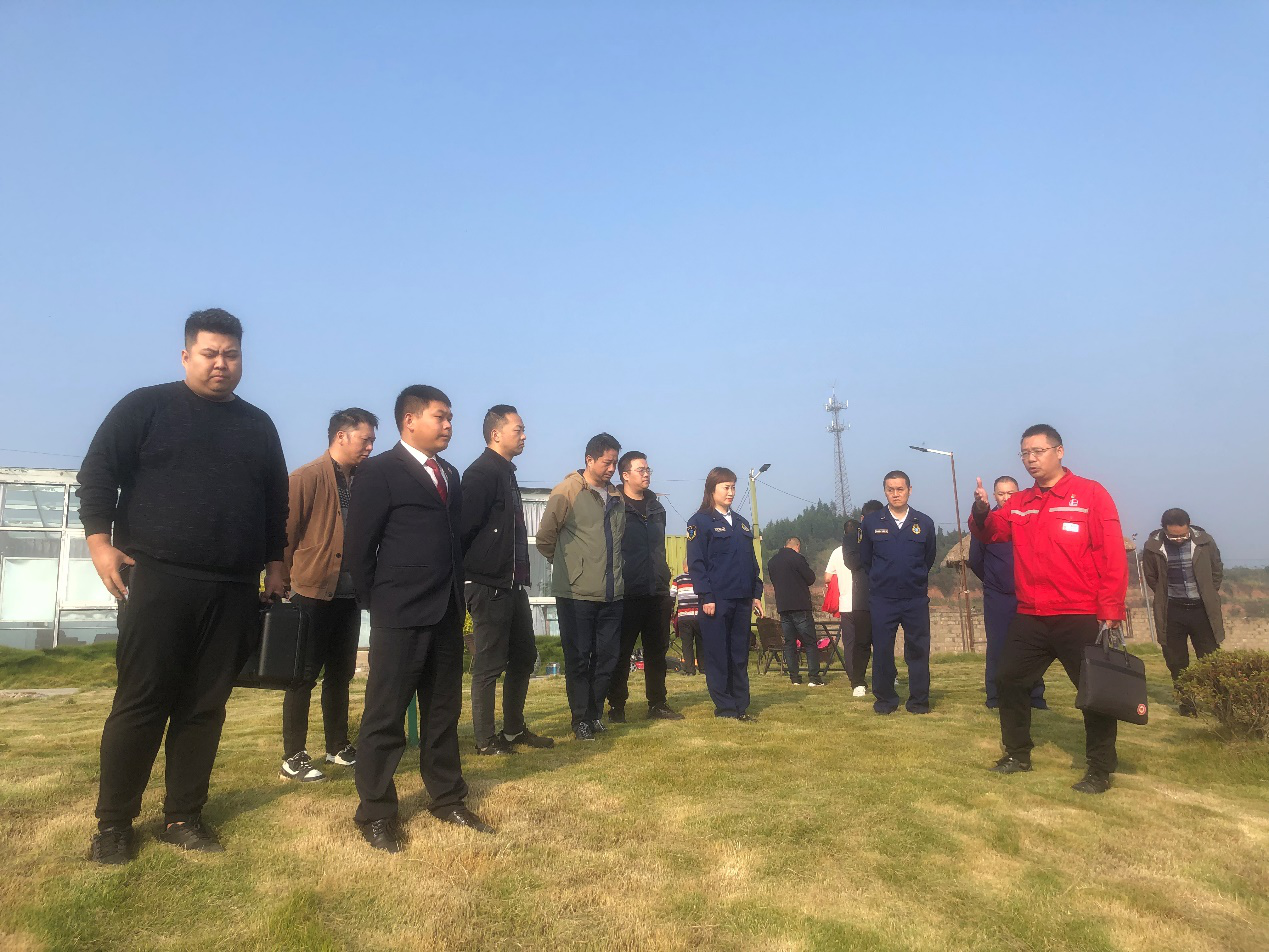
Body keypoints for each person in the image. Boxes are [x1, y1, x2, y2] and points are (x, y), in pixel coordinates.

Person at [78, 309, 289, 864]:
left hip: (233, 587)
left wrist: (275, 562)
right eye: (210, 353)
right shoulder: (145, 406)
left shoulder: (259, 425)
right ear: (186, 355)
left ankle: (183, 816)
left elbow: (276, 503)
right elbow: (97, 473)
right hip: (157, 578)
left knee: (205, 706)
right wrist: (99, 542)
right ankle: (113, 824)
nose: (221, 364)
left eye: (231, 355)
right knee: (141, 702)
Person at [345, 385, 492, 852]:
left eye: (450, 418)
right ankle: (375, 811)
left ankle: (447, 797)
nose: (448, 425)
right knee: (385, 715)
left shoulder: (449, 473)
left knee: (443, 711)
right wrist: (379, 600)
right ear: (409, 420)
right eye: (440, 417)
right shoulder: (379, 471)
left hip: (446, 610)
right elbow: (359, 547)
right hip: (399, 613)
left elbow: (455, 541)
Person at [971, 424, 1128, 795]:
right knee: (1009, 679)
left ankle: (1100, 769)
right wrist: (981, 510)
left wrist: (1111, 608)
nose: (1031, 459)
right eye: (1025, 453)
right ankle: (1017, 754)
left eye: (1038, 451)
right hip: (1031, 614)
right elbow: (992, 532)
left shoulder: (1091, 495)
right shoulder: (1020, 502)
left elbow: (1111, 554)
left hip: (1080, 614)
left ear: (1059, 451)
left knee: (1094, 693)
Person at [279, 408, 378, 784]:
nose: (370, 447)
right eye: (365, 439)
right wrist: (280, 580)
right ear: (341, 436)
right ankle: (293, 756)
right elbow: (285, 535)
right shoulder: (306, 477)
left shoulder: (364, 479)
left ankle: (338, 745)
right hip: (311, 591)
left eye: (372, 441)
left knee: (340, 674)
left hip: (349, 596)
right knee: (302, 676)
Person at [459, 405, 554, 755]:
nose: (525, 435)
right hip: (487, 584)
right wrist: (473, 577)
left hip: (512, 584)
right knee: (489, 663)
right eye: (518, 429)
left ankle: (513, 730)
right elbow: (462, 530)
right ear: (496, 434)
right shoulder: (481, 473)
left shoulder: (506, 473)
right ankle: (485, 741)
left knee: (524, 656)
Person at [536, 433, 626, 741]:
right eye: (607, 462)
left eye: (615, 463)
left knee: (607, 658)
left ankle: (595, 714)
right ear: (589, 459)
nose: (611, 469)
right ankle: (580, 720)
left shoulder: (616, 496)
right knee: (578, 659)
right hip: (575, 594)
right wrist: (571, 568)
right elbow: (545, 539)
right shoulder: (567, 490)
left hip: (612, 593)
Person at [607, 451, 683, 722]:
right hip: (627, 591)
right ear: (625, 475)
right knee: (621, 652)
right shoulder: (615, 505)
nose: (646, 474)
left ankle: (658, 704)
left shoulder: (656, 507)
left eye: (648, 469)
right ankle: (616, 706)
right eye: (641, 469)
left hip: (657, 590)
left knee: (657, 652)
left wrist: (664, 577)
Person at [686, 467, 764, 720]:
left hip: (742, 599)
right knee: (718, 654)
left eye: (733, 487)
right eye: (726, 487)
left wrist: (756, 593)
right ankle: (726, 707)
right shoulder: (699, 522)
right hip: (717, 601)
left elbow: (751, 562)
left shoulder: (741, 522)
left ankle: (741, 704)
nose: (731, 492)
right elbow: (697, 564)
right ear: (712, 489)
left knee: (739, 653)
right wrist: (706, 596)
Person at [859, 472, 937, 715]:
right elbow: (866, 560)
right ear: (885, 491)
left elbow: (928, 558)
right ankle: (885, 700)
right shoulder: (872, 522)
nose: (895, 494)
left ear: (909, 490)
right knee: (882, 650)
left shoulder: (924, 523)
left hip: (915, 598)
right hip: (883, 599)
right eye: (890, 489)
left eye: (900, 489)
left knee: (918, 650)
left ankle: (919, 701)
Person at [967, 476, 1046, 712]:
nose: (1006, 498)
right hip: (998, 597)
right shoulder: (987, 522)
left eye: (1010, 493)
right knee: (998, 646)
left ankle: (1035, 696)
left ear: (1018, 494)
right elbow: (976, 561)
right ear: (994, 496)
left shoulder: (1027, 519)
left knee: (1033, 646)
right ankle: (994, 696)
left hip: (1028, 594)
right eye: (1001, 494)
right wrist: (994, 581)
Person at [1142, 508, 1224, 714]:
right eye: (1173, 536)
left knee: (1211, 659)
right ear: (1164, 529)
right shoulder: (1153, 546)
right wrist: (1165, 595)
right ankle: (1187, 705)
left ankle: (1219, 704)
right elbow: (1151, 577)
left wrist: (1208, 592)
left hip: (1201, 610)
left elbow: (1216, 569)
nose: (1178, 539)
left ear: (1189, 526)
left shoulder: (1205, 541)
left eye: (1182, 535)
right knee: (1176, 661)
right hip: (1172, 610)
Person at [836, 500, 883, 698]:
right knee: (861, 641)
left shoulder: (888, 534)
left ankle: (887, 676)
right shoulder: (852, 538)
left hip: (885, 594)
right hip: (862, 596)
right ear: (862, 519)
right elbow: (852, 562)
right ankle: (858, 681)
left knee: (884, 641)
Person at [769, 537, 823, 686]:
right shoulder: (797, 558)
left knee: (789, 643)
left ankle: (794, 678)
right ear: (797, 546)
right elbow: (810, 578)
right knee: (810, 642)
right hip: (800, 605)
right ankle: (814, 678)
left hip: (783, 606)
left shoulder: (772, 562)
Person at [670, 561, 704, 675]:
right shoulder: (700, 578)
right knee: (701, 642)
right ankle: (703, 668)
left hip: (684, 616)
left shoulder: (678, 579)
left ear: (684, 566)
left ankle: (690, 670)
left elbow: (671, 596)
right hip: (699, 616)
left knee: (687, 643)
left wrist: (671, 612)